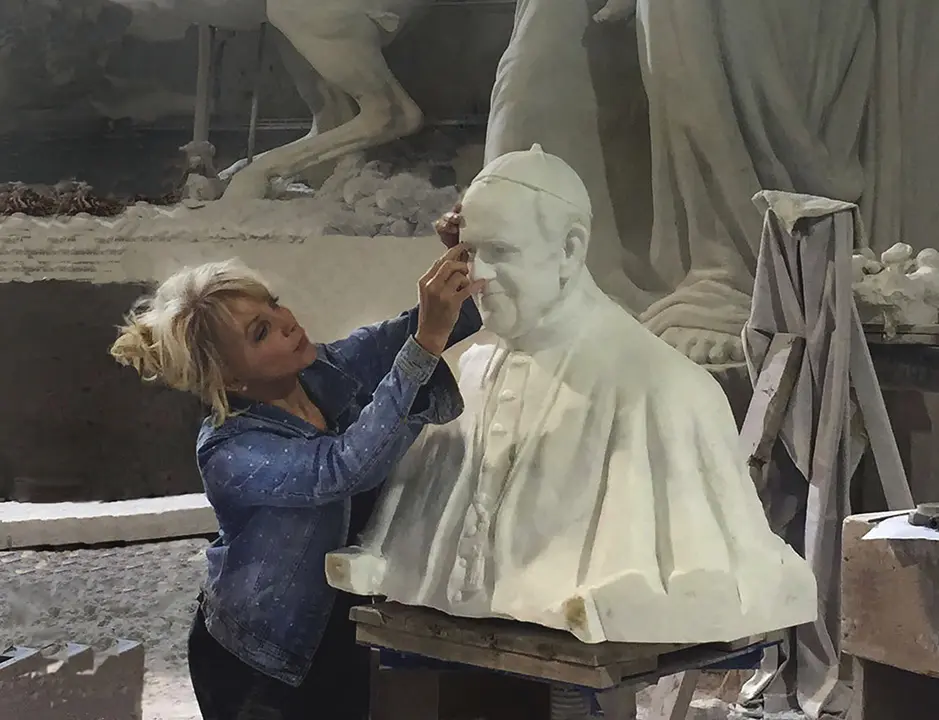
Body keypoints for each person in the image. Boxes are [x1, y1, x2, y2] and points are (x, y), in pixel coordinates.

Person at [327, 145, 817, 647]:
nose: (477, 274)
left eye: (501, 251)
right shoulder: (470, 370)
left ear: (569, 249)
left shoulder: (660, 385)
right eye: (470, 252)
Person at [108, 221, 484, 720]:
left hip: (338, 638)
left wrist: (470, 256)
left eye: (274, 304)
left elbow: (430, 325)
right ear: (229, 376)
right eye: (260, 331)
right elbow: (344, 466)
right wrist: (426, 342)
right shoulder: (229, 450)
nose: (286, 321)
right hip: (259, 666)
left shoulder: (324, 368)